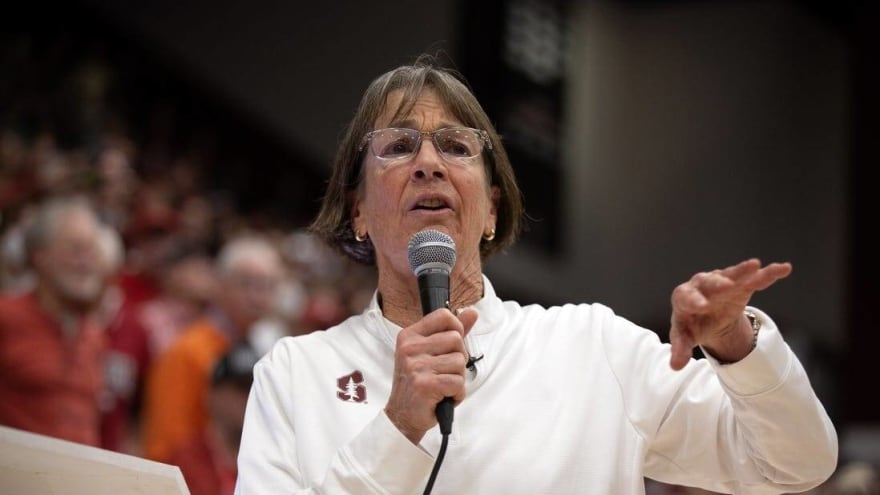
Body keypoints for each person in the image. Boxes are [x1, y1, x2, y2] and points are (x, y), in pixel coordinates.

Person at [234, 57, 838, 494]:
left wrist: (735, 345)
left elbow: (795, 463)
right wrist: (397, 427)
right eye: (397, 147)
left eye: (454, 145)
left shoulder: (593, 347)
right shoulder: (292, 375)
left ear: (492, 207)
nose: (427, 164)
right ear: (359, 210)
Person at [141, 234, 284, 463]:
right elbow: (166, 445)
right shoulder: (187, 351)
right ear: (220, 285)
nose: (257, 296)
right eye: (247, 283)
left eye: (268, 286)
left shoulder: (270, 354)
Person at [0, 195, 114, 446]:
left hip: (78, 480)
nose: (86, 262)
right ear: (41, 257)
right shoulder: (6, 318)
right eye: (75, 249)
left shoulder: (95, 337)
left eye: (92, 250)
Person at [169, 341, 260, 495]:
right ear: (212, 395)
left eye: (254, 388)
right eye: (239, 388)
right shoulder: (183, 463)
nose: (248, 398)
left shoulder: (269, 459)